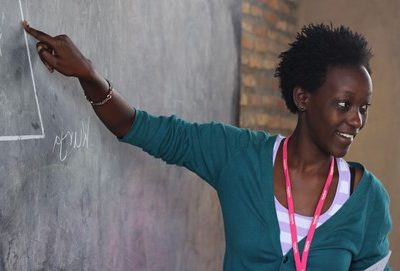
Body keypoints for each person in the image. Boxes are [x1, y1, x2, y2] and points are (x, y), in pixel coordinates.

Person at [22, 21, 392, 270]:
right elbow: (141, 127)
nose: (356, 120)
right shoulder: (237, 155)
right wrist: (88, 74)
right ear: (303, 97)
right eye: (344, 105)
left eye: (363, 108)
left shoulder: (367, 199)